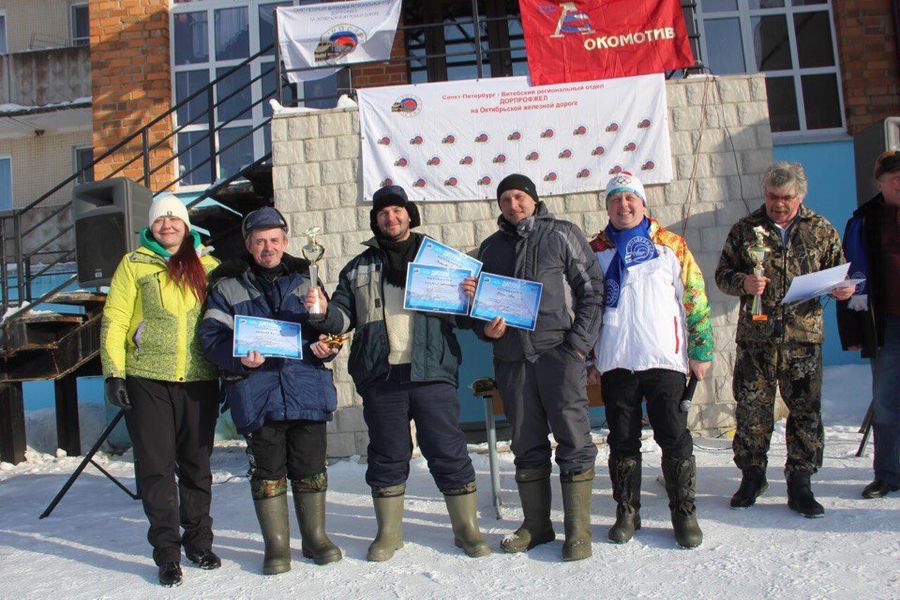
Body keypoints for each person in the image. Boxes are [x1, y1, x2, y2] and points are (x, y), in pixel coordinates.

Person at [311, 185, 490, 562]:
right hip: (382, 374)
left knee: (447, 450)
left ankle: (467, 530)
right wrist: (321, 311)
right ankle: (389, 534)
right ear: (375, 220)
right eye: (383, 213)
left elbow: (461, 318)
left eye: (397, 212)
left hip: (432, 371)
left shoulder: (439, 260)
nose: (390, 219)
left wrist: (472, 300)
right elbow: (343, 318)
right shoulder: (358, 267)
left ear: (410, 215)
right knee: (388, 454)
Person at [198, 207, 342, 574]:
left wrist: (329, 341)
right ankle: (277, 547)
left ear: (285, 241)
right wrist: (238, 359)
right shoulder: (226, 286)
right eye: (260, 241)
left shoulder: (306, 278)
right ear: (248, 244)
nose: (268, 247)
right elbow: (210, 339)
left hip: (306, 388)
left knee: (311, 467)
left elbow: (329, 328)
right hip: (258, 392)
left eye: (274, 240)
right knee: (268, 471)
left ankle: (316, 538)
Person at [472, 173, 603, 561]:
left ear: (533, 198)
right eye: (506, 199)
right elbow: (476, 310)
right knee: (526, 443)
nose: (514, 205)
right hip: (513, 360)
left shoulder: (561, 234)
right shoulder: (490, 248)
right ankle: (537, 524)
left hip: (558, 354)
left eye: (520, 196)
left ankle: (578, 531)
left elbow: (592, 290)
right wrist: (486, 329)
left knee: (574, 440)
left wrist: (578, 347)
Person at [715, 162, 854, 518]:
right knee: (751, 409)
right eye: (773, 197)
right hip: (756, 338)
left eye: (786, 198)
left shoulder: (821, 230)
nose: (779, 204)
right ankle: (752, 475)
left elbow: (841, 272)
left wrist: (843, 290)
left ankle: (800, 481)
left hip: (802, 339)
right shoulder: (746, 230)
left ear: (800, 196)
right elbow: (722, 275)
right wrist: (743, 283)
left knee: (805, 411)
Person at [100, 193, 221, 587]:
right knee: (155, 467)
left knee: (196, 466)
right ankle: (167, 553)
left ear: (186, 225)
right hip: (147, 378)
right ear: (150, 227)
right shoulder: (134, 264)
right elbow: (115, 318)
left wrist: (229, 371)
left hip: (199, 379)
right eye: (159, 221)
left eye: (174, 219)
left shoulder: (209, 265)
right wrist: (113, 373)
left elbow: (225, 321)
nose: (167, 226)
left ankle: (198, 542)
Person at [588, 172, 713, 548]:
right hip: (616, 362)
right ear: (607, 206)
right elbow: (584, 307)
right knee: (622, 441)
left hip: (664, 360)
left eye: (630, 199)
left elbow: (695, 297)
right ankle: (627, 510)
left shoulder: (670, 245)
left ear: (643, 204)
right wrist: (587, 358)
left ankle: (684, 512)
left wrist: (701, 351)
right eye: (615, 200)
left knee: (674, 439)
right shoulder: (594, 250)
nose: (623, 206)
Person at [837, 150, 900, 499]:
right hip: (889, 325)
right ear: (880, 184)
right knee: (887, 404)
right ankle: (888, 474)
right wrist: (854, 332)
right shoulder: (864, 221)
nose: (899, 183)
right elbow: (849, 280)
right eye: (894, 179)